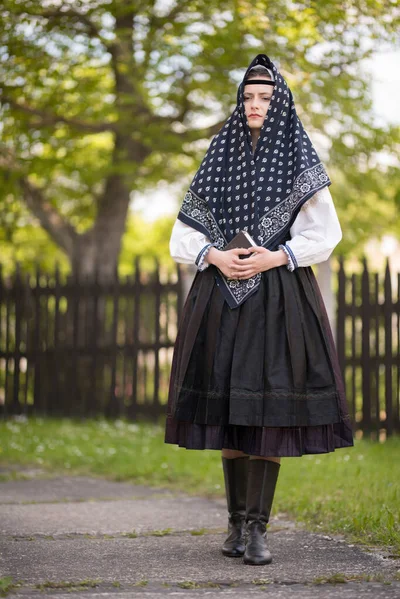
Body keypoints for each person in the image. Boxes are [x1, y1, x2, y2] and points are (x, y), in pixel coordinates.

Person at [164, 54, 353, 566]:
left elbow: (325, 234)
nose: (254, 105)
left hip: (277, 299)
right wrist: (214, 256)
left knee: (267, 409)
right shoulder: (220, 155)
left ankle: (258, 531)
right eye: (248, 96)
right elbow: (183, 233)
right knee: (229, 409)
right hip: (219, 297)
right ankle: (234, 525)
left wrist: (278, 255)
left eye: (265, 97)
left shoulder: (298, 158)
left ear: (280, 103)